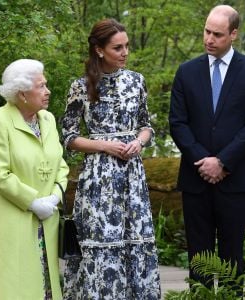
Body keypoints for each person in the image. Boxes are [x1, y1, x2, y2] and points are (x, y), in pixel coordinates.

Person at [169, 4, 245, 295]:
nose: (208, 39)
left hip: (235, 179)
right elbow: (178, 123)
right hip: (195, 178)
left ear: (234, 34)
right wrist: (204, 160)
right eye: (206, 31)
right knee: (199, 258)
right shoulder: (186, 72)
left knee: (231, 256)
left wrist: (223, 162)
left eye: (217, 34)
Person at [61, 18, 161, 299]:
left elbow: (146, 125)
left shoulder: (136, 81)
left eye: (127, 46)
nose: (125, 52)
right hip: (98, 179)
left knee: (136, 243)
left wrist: (139, 142)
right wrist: (104, 145)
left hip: (132, 175)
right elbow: (68, 136)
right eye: (118, 48)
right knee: (101, 244)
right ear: (99, 50)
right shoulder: (81, 87)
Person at [0, 59, 69, 300]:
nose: (47, 91)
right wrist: (33, 202)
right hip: (14, 220)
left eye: (46, 85)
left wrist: (54, 197)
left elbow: (61, 165)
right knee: (16, 286)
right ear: (22, 93)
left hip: (48, 219)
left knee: (47, 286)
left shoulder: (48, 119)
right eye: (41, 86)